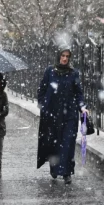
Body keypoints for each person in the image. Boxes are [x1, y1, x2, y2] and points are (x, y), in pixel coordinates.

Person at [37, 48, 89, 185]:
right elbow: (42, 89)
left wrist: (82, 107)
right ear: (58, 56)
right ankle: (54, 168)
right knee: (54, 142)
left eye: (67, 56)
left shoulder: (73, 73)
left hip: (70, 114)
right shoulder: (50, 71)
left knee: (68, 143)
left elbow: (79, 93)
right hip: (53, 113)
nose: (65, 59)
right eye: (62, 55)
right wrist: (42, 104)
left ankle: (67, 172)